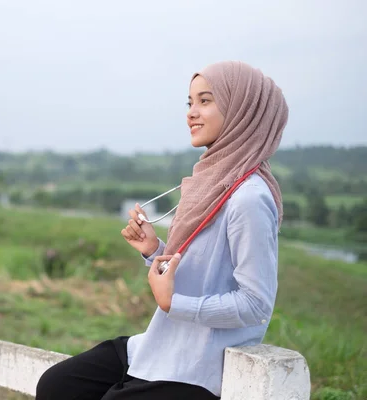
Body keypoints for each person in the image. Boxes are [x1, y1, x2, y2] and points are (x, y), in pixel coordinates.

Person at [35, 60, 287, 400]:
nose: (192, 113)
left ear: (243, 110)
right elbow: (204, 271)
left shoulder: (249, 198)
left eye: (206, 100)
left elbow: (256, 305)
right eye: (190, 102)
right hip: (158, 345)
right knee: (57, 385)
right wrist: (154, 251)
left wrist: (173, 302)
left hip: (196, 366)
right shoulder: (211, 180)